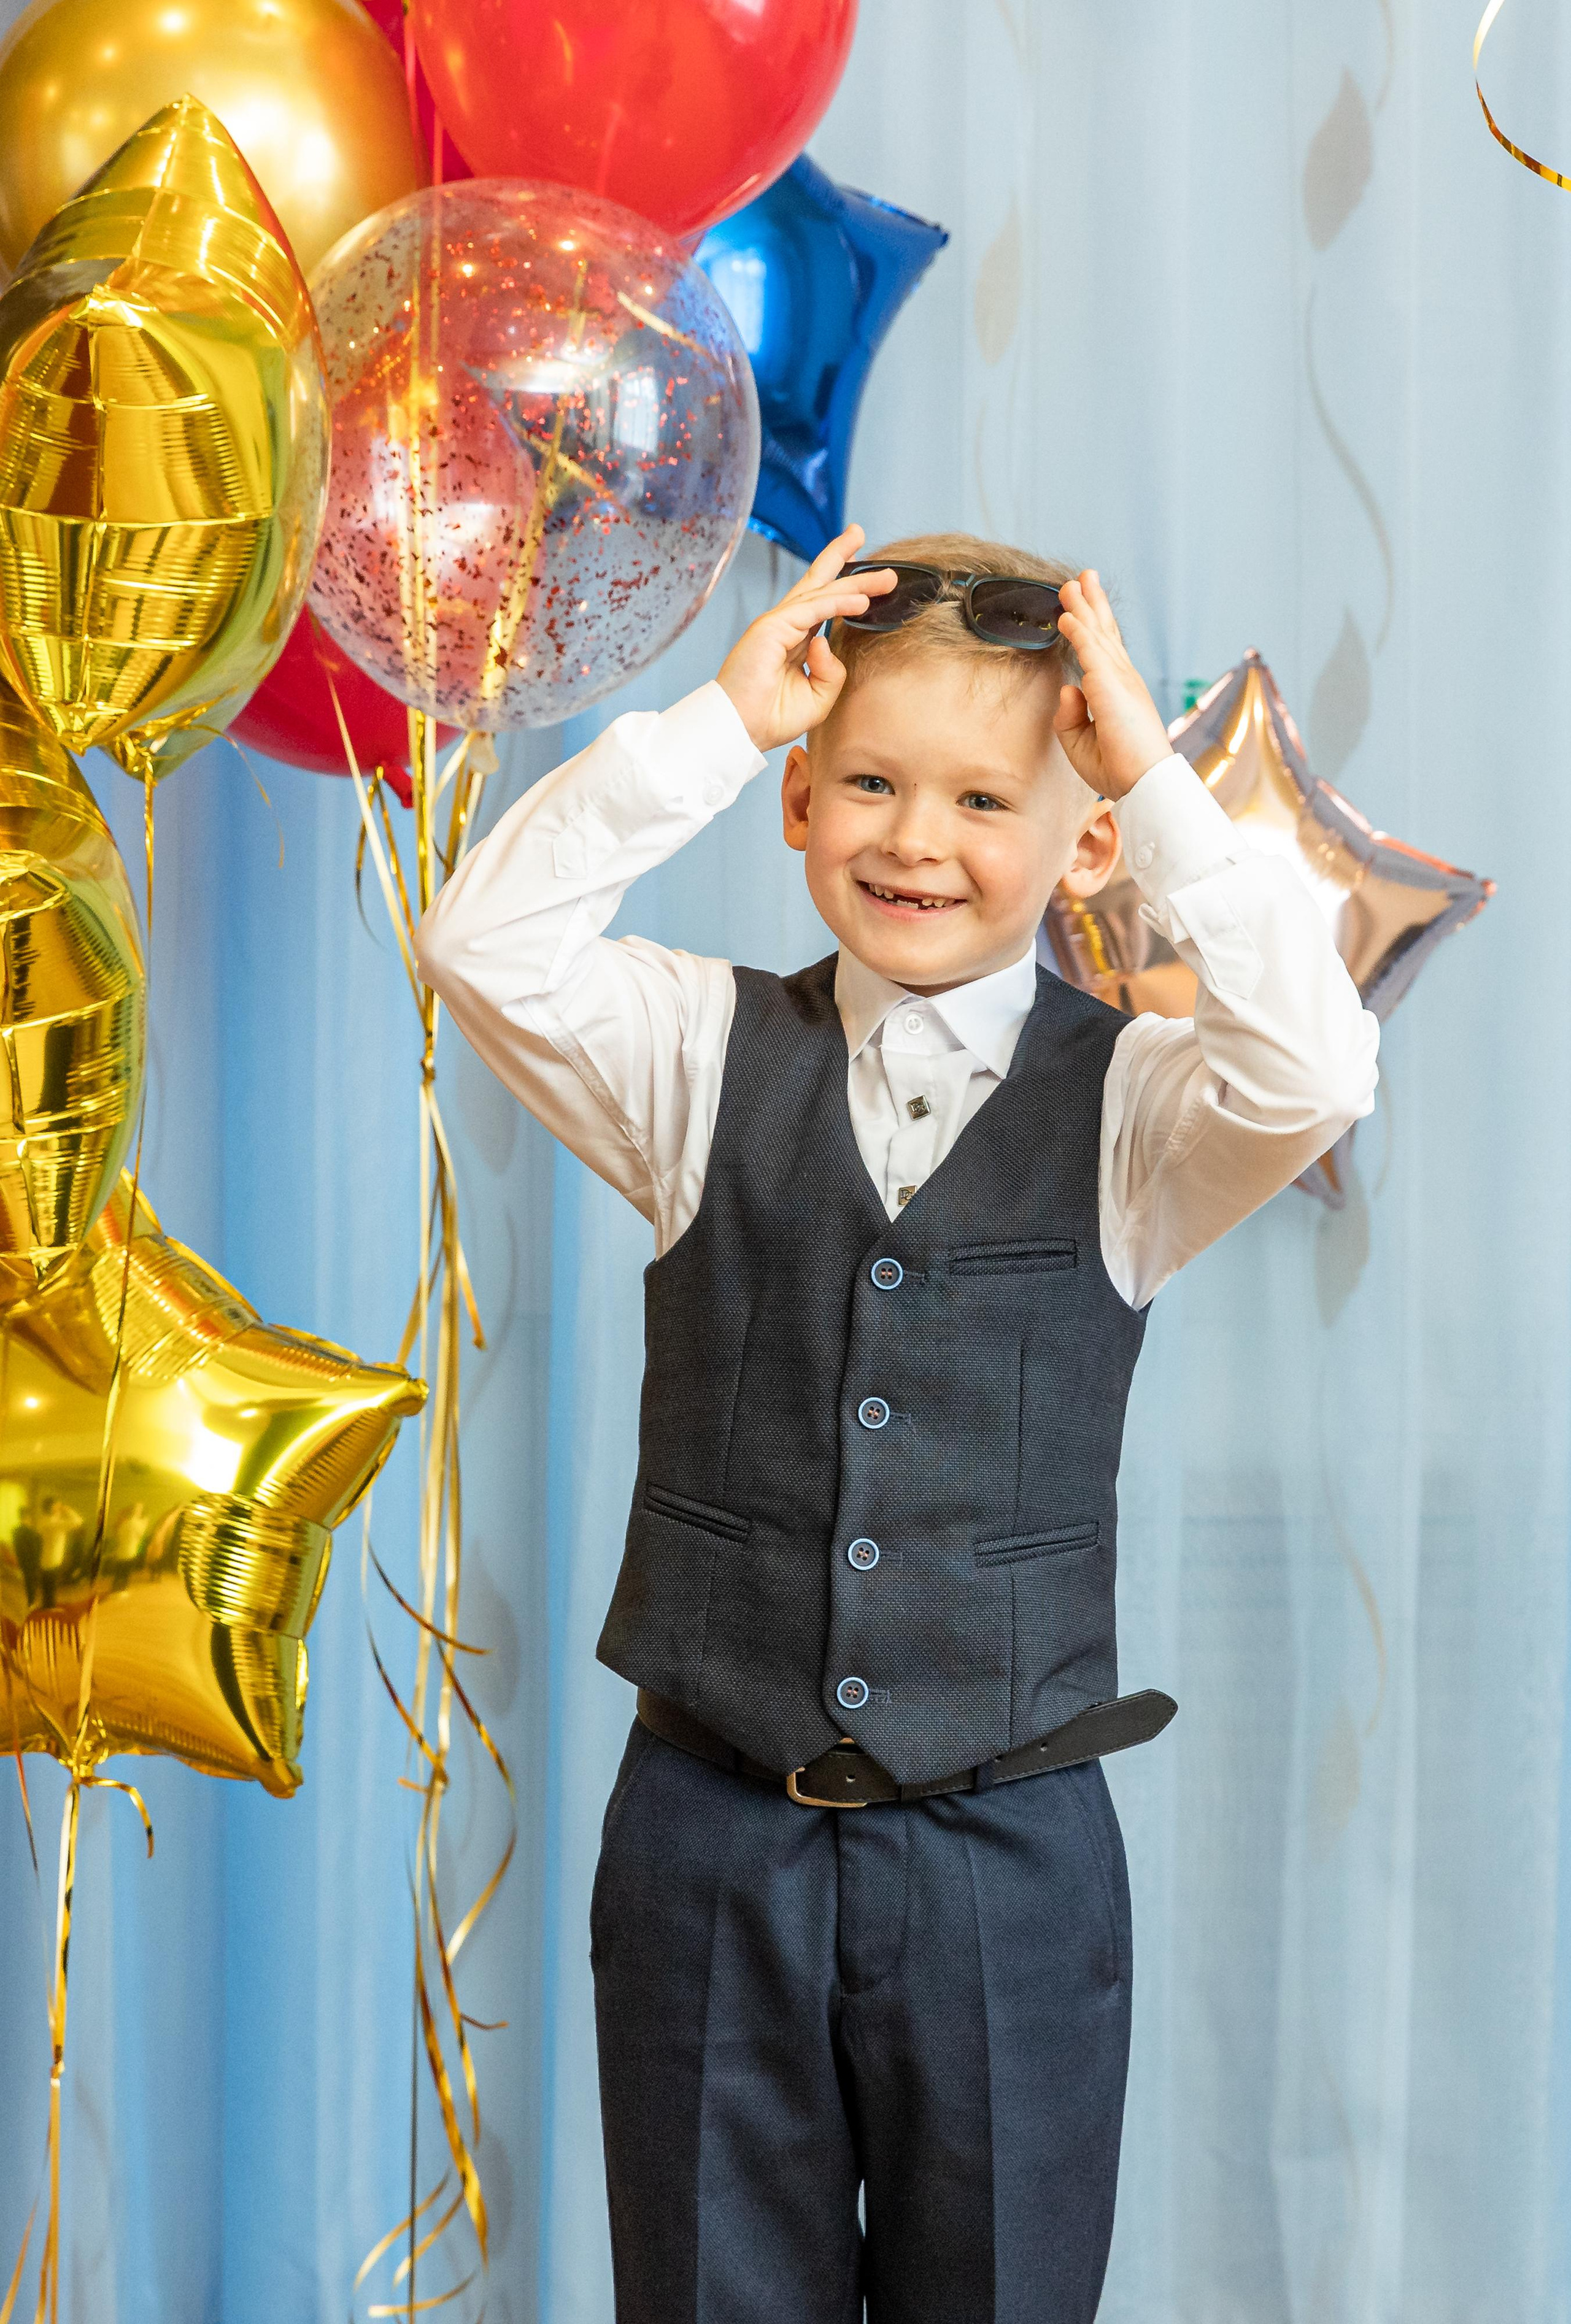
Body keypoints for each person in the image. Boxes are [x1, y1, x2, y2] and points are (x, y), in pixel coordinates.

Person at [416, 527, 1380, 2324]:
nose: (916, 839)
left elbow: (1317, 1067)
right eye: (867, 781)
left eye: (984, 799)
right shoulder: (694, 1051)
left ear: (1083, 841)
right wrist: (718, 723)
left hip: (1011, 1861)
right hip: (713, 1840)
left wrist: (1152, 781)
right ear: (798, 799)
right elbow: (483, 941)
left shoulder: (1141, 1109)